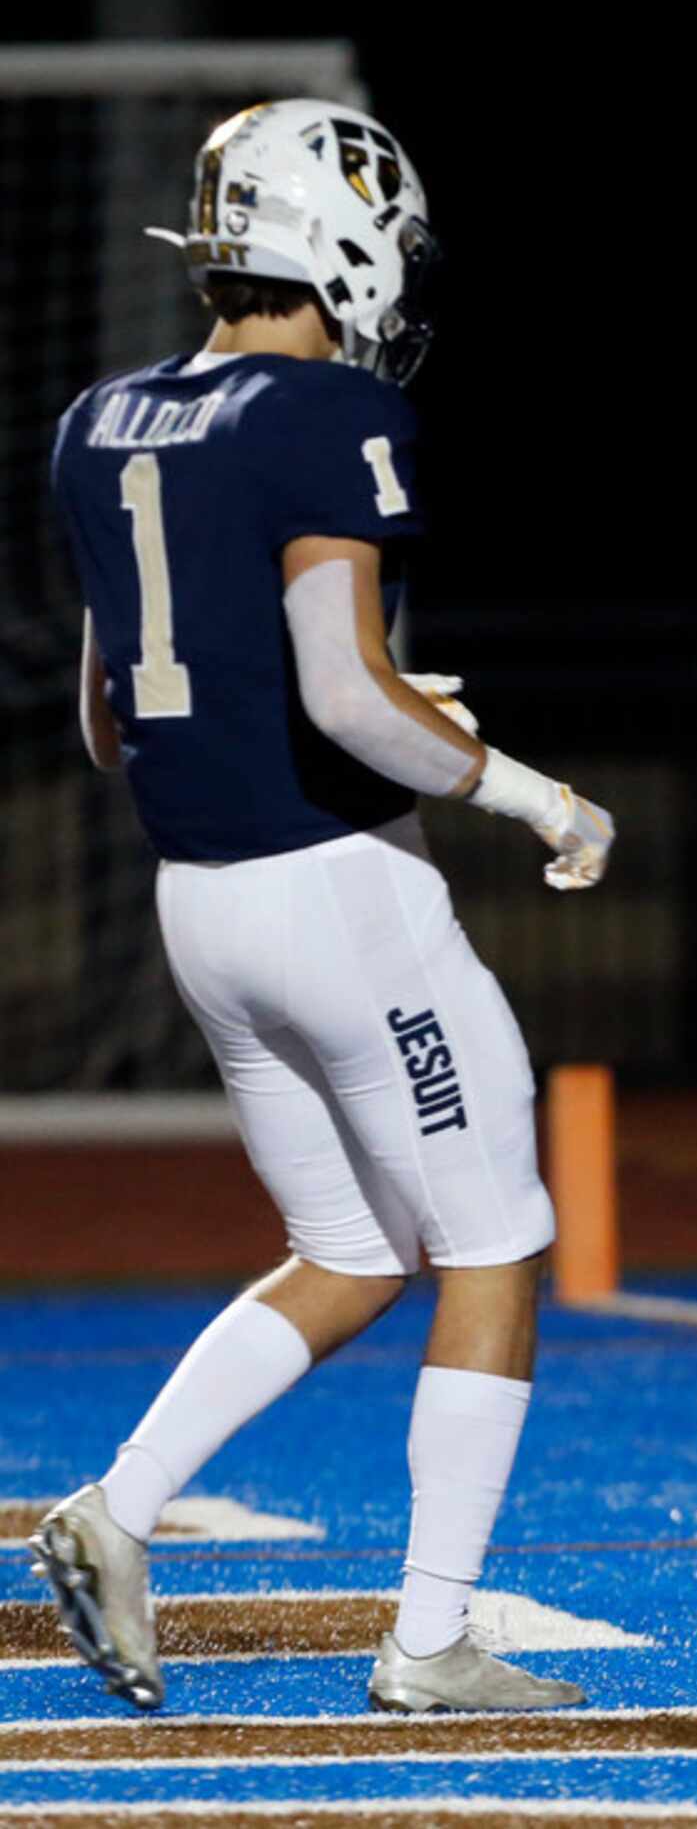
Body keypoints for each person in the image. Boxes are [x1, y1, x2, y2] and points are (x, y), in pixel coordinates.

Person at [32, 100, 617, 1715]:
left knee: (350, 1250)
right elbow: (352, 702)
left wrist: (323, 696)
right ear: (334, 240)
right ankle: (430, 1642)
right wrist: (533, 792)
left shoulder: (101, 418)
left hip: (199, 908)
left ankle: (116, 1510)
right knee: (497, 1240)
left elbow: (107, 721)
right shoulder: (321, 415)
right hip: (339, 894)